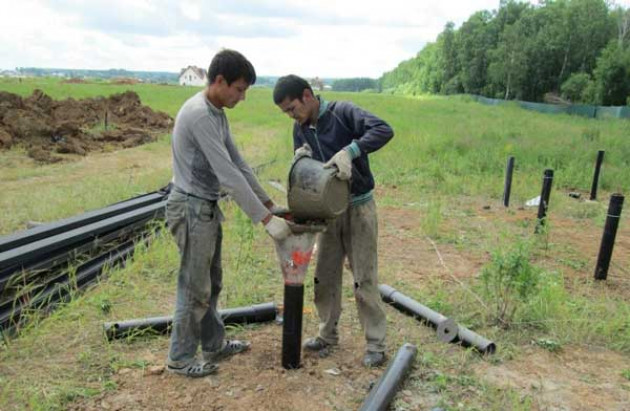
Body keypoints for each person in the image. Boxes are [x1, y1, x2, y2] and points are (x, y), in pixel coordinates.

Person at [165, 49, 291, 378]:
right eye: (239, 89)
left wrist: (268, 205)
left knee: (212, 282)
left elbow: (239, 164)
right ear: (219, 80)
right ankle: (179, 358)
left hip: (205, 207)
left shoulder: (217, 112)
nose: (243, 97)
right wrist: (266, 222)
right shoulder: (200, 115)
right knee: (194, 287)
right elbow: (227, 175)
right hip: (191, 208)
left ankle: (214, 345)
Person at [273, 75, 394, 367]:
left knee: (364, 276)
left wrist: (351, 150)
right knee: (324, 276)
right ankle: (327, 335)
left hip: (358, 208)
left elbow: (384, 129)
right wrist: (298, 160)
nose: (292, 116)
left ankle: (376, 344)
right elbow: (304, 171)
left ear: (307, 95)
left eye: (292, 108)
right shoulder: (299, 129)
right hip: (327, 212)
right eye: (287, 113)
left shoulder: (343, 113)